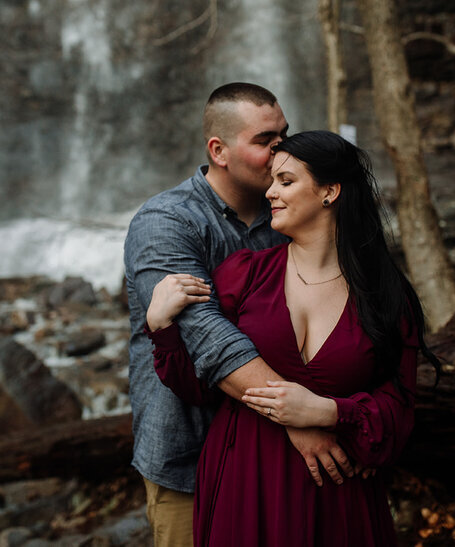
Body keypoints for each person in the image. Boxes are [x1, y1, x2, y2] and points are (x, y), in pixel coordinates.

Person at [145, 130, 440, 546]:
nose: (270, 192)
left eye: (285, 181)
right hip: (245, 478)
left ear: (330, 192)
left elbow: (398, 409)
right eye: (271, 181)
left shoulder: (384, 295)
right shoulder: (243, 274)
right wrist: (163, 329)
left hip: (338, 491)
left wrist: (328, 413)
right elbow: (196, 386)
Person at [125, 85, 356, 547]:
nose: (281, 151)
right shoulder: (166, 223)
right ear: (219, 150)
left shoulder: (295, 216)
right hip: (190, 458)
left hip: (284, 462)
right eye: (265, 140)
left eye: (285, 136)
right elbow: (206, 338)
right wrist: (299, 418)